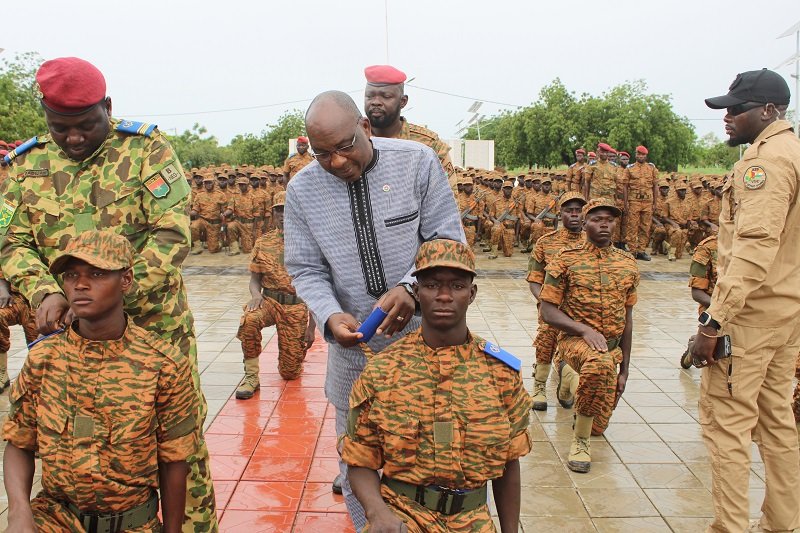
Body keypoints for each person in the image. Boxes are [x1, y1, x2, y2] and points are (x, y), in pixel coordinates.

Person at [0, 57, 216, 531]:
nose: (74, 138)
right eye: (60, 128)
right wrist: (44, 293)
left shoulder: (146, 151)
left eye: (86, 125)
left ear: (108, 108)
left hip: (152, 328)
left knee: (178, 448)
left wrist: (111, 299)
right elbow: (11, 241)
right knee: (69, 437)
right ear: (45, 117)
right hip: (67, 334)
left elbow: (172, 233)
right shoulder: (24, 165)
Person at [284, 90, 464, 530]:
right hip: (354, 351)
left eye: (346, 148)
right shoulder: (302, 190)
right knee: (355, 453)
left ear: (365, 128)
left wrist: (409, 287)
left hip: (427, 341)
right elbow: (305, 268)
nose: (338, 163)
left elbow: (447, 237)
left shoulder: (417, 162)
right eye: (323, 154)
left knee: (431, 447)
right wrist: (329, 315)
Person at [2, 230, 199, 533]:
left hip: (130, 524)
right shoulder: (45, 360)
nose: (80, 284)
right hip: (54, 520)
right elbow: (19, 442)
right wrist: (18, 511)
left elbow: (173, 462)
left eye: (97, 273)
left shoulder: (164, 366)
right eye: (71, 275)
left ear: (126, 280)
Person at [342, 239, 532, 533]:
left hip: (472, 519)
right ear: (416, 292)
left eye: (457, 286)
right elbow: (359, 460)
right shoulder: (383, 370)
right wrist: (378, 513)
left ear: (472, 293)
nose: (444, 296)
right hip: (402, 514)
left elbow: (509, 465)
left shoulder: (501, 373)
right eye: (432, 285)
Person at [691, 68, 800, 533]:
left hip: (750, 319)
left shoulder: (766, 164)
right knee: (777, 425)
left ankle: (730, 527)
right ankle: (782, 523)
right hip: (786, 313)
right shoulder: (792, 152)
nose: (728, 118)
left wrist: (712, 324)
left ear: (769, 111)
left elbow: (754, 252)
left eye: (737, 109)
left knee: (728, 428)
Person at [540, 199, 639, 471]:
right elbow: (548, 311)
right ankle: (579, 442)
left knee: (598, 425)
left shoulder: (627, 263)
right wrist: (583, 329)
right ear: (584, 224)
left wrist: (626, 371)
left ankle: (571, 381)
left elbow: (628, 319)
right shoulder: (565, 259)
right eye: (597, 219)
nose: (604, 223)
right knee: (599, 364)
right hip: (575, 342)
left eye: (609, 218)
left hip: (611, 349)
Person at [236, 191, 316, 398]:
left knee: (289, 373)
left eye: (287, 210)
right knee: (249, 319)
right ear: (273, 214)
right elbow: (255, 279)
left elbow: (319, 285)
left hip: (296, 307)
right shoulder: (263, 243)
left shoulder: (310, 241)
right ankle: (251, 376)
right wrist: (255, 294)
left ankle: (296, 351)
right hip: (270, 302)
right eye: (278, 210)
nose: (283, 214)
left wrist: (312, 328)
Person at [527, 191, 587, 411]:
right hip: (552, 309)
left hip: (582, 311)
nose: (573, 215)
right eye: (568, 210)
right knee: (546, 339)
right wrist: (546, 303)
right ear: (560, 213)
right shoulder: (546, 243)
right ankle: (539, 386)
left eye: (578, 210)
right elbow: (534, 280)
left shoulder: (592, 243)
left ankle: (568, 384)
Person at [363, 65, 456, 188]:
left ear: (403, 101)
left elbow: (447, 198)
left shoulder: (429, 144)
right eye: (370, 96)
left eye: (386, 96)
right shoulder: (351, 140)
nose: (375, 102)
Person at [0, 269, 38, 393]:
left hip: (43, 299)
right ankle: (2, 372)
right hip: (16, 299)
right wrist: (3, 290)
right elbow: (3, 272)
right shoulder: (10, 250)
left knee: (39, 346)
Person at [623, 146, 658, 260]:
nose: (640, 156)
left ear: (646, 156)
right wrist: (626, 202)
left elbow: (655, 186)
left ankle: (641, 251)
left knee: (645, 227)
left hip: (648, 201)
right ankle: (632, 251)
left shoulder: (652, 168)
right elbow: (625, 186)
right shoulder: (629, 169)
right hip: (634, 201)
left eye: (643, 155)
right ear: (635, 155)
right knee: (632, 227)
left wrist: (655, 203)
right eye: (639, 154)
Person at [190, 176, 227, 254]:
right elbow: (195, 210)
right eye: (206, 182)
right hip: (203, 220)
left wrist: (223, 215)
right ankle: (197, 247)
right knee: (193, 226)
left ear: (214, 182)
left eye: (210, 182)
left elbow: (225, 210)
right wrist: (186, 212)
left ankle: (219, 242)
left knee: (213, 250)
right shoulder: (199, 195)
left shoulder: (221, 195)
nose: (208, 184)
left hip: (215, 223)